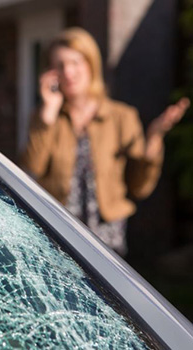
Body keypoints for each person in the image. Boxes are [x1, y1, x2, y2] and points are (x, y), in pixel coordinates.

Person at [20, 27, 190, 256]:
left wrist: (155, 137)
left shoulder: (122, 117)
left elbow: (140, 187)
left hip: (108, 242)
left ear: (91, 64)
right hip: (57, 236)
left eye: (75, 62)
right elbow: (30, 171)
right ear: (51, 73)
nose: (68, 72)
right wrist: (47, 118)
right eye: (59, 65)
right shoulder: (45, 118)